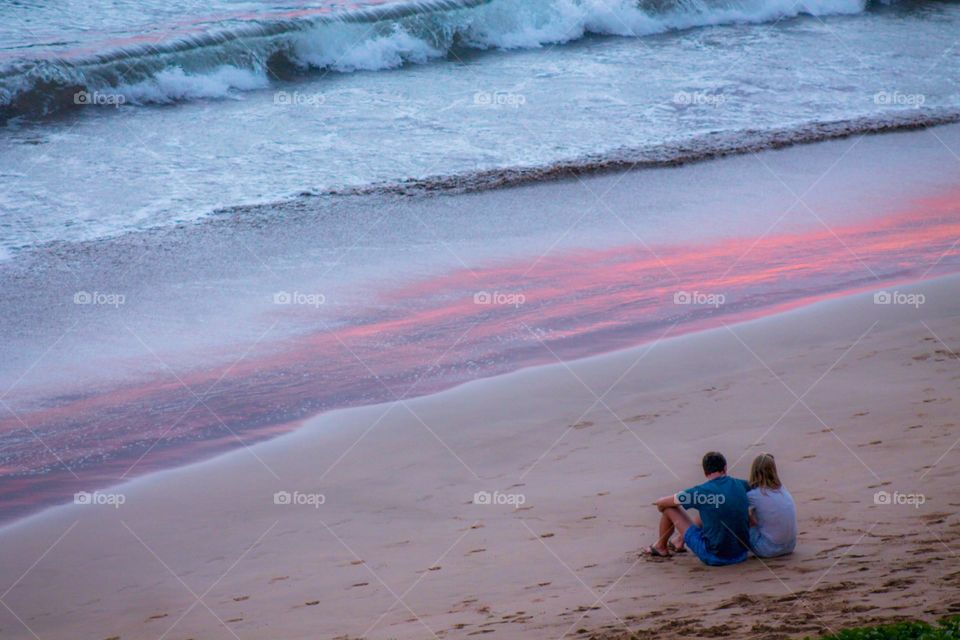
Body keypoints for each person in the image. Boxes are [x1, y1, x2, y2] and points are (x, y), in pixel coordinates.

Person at [644, 451, 750, 566]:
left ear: (705, 472)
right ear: (725, 468)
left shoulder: (701, 492)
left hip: (714, 556)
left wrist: (660, 507)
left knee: (669, 508)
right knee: (713, 508)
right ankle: (679, 541)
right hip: (741, 553)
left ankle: (661, 547)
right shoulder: (741, 484)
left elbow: (662, 502)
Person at [747, 453, 797, 558]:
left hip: (768, 549)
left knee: (740, 515)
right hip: (791, 545)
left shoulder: (753, 495)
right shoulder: (782, 489)